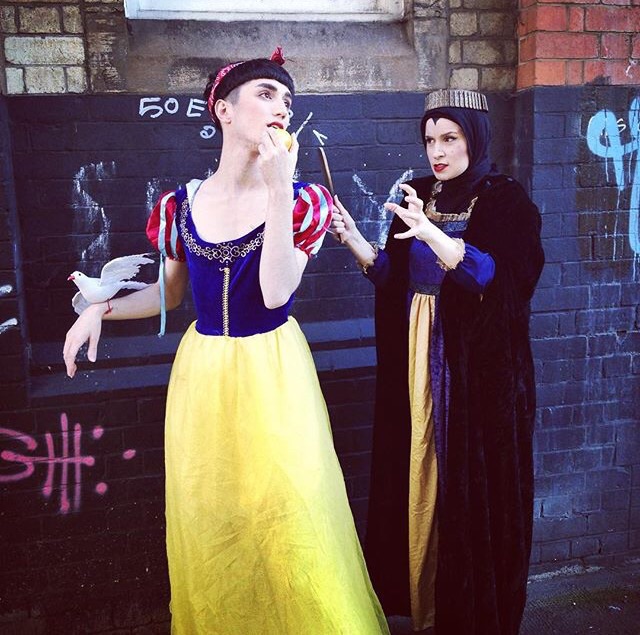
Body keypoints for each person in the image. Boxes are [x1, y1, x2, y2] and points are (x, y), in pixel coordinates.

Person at [63, 48, 389, 635]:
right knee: (214, 519)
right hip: (204, 375)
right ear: (223, 110)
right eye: (265, 94)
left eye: (287, 99)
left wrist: (279, 190)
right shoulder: (179, 205)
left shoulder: (303, 201)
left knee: (290, 515)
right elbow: (169, 295)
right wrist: (100, 309)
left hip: (273, 372)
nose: (281, 107)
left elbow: (274, 293)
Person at [331, 88, 544, 635]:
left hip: (471, 368)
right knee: (415, 465)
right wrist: (355, 240)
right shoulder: (420, 191)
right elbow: (394, 278)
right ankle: (420, 599)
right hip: (414, 353)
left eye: (450, 138)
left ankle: (464, 610)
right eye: (429, 140)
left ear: (475, 138)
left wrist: (430, 230)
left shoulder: (506, 200)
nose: (437, 151)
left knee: (463, 477)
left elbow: (498, 281)